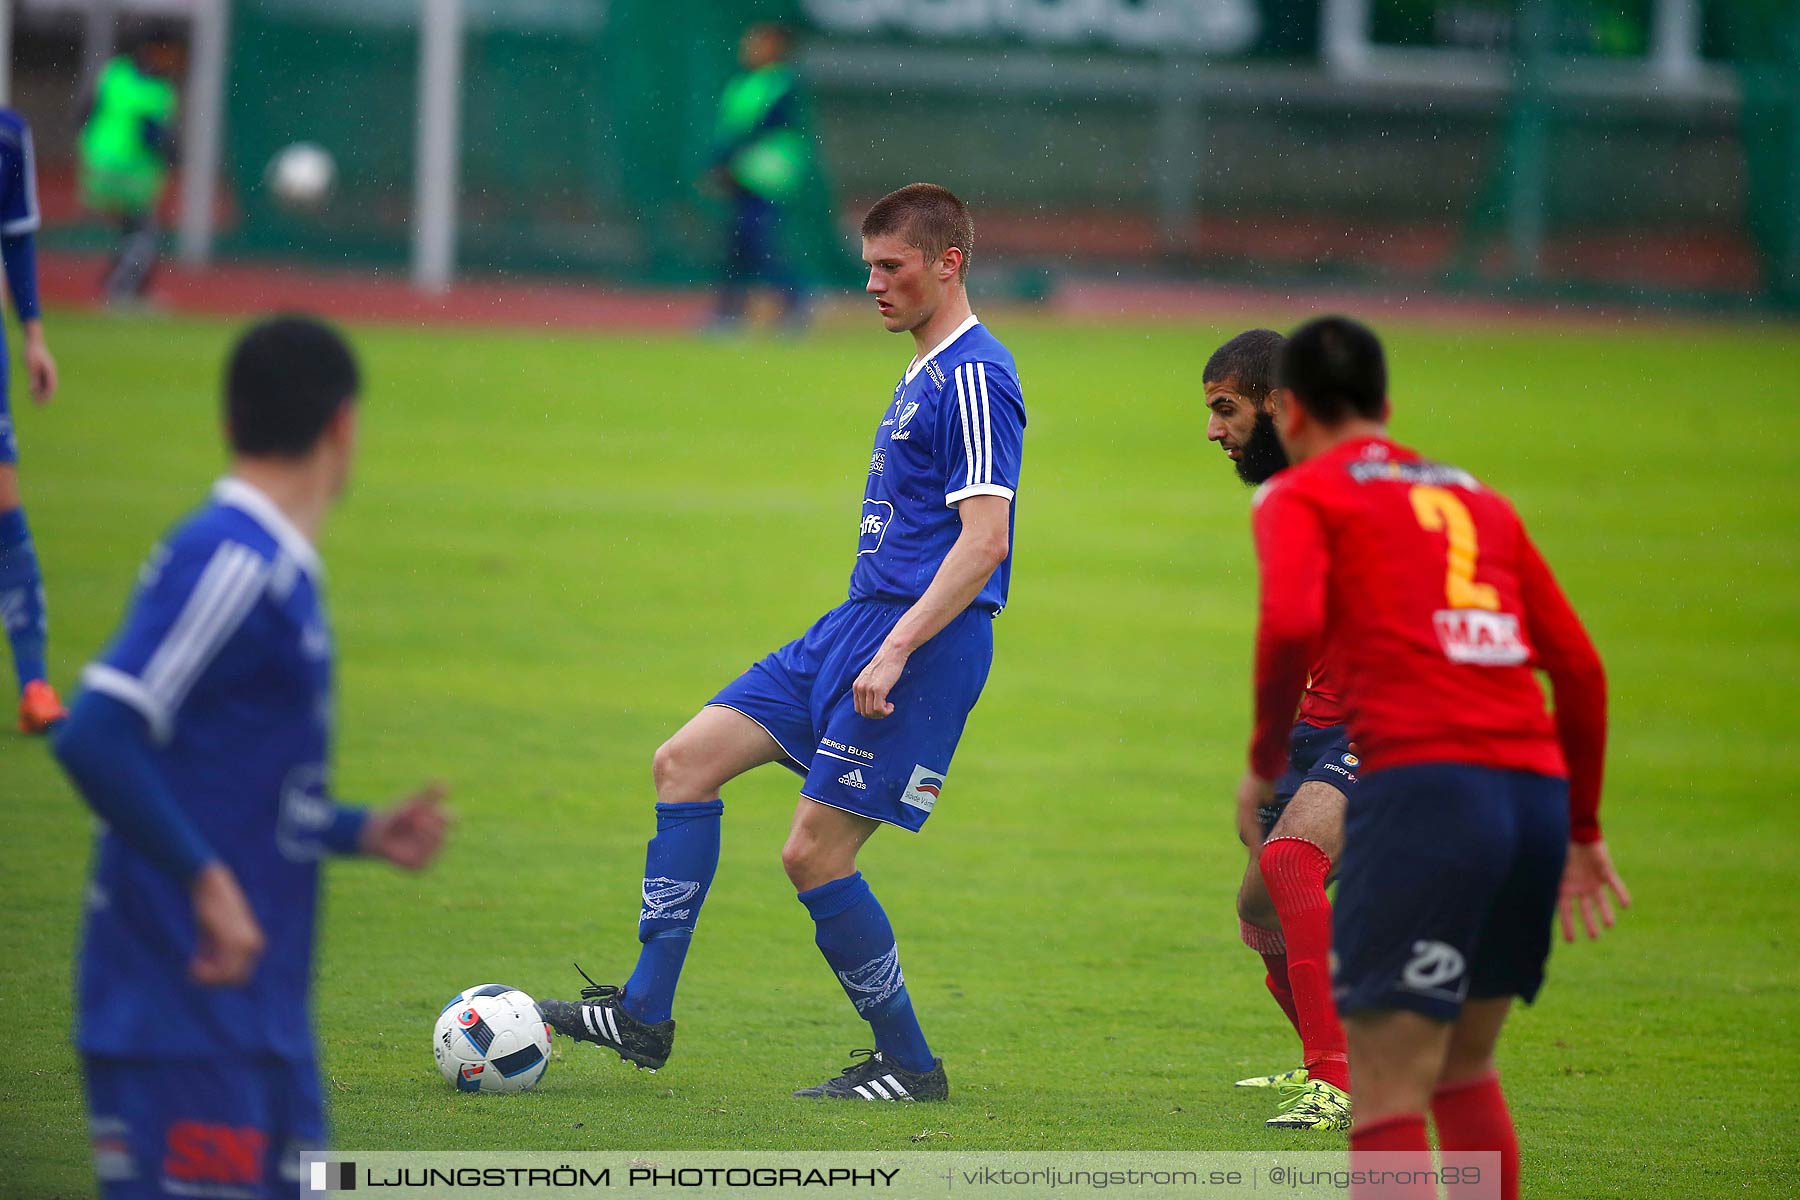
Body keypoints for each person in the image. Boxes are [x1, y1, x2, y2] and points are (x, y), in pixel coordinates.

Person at [540, 183, 1023, 1103]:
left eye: (893, 266)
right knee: (683, 763)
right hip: (850, 626)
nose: (873, 283)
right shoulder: (923, 367)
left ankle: (911, 1068)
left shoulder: (974, 374)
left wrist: (895, 650)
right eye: (869, 265)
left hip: (918, 642)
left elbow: (985, 542)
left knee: (814, 854)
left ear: (948, 264)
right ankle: (643, 1013)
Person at [53, 316, 450, 1198]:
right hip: (181, 1005)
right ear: (345, 425)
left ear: (229, 420)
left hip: (255, 1014)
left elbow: (228, 779)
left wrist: (358, 831)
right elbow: (95, 731)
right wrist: (208, 881)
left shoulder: (279, 570)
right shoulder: (233, 559)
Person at [1243, 316, 1629, 1199]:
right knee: (1462, 1068)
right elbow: (1577, 668)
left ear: (1290, 410)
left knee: (1384, 1083)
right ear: (1386, 403)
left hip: (1426, 792)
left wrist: (1263, 758)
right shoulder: (1475, 496)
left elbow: (1293, 624)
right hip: (1530, 797)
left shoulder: (1298, 496)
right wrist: (1584, 826)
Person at [1202, 329, 1352, 1131]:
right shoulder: (1288, 493)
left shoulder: (1334, 486)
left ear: (1275, 404)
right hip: (1321, 719)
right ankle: (1326, 1065)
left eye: (1226, 410)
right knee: (1260, 911)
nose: (1213, 430)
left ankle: (1343, 1082)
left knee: (1294, 860)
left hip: (1390, 713)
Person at [0, 107, 62, 733]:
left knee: (2, 502)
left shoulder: (9, 134)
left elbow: (15, 236)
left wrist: (33, 337)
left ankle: (35, 683)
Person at [705, 22, 812, 332]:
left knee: (759, 243)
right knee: (739, 245)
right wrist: (720, 164)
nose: (749, 49)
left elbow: (756, 128)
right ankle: (731, 312)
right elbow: (728, 131)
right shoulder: (742, 84)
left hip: (765, 179)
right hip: (743, 177)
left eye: (757, 43)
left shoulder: (781, 83)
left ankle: (795, 302)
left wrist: (726, 161)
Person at [78, 32, 180, 302]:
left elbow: (86, 113)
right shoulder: (155, 89)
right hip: (132, 170)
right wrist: (174, 158)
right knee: (144, 230)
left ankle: (126, 283)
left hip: (98, 165)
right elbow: (153, 136)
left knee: (130, 229)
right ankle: (121, 287)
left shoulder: (115, 73)